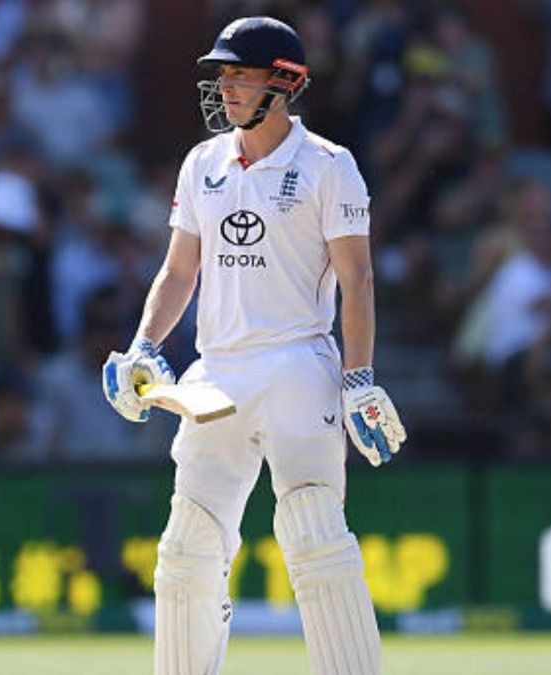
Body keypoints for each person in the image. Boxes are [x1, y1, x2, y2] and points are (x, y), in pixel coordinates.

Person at [100, 17, 405, 675]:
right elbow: (180, 271)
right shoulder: (202, 163)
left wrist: (360, 378)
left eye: (240, 74)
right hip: (218, 373)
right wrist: (145, 349)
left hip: (300, 361)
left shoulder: (329, 165)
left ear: (284, 81)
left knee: (314, 533)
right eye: (223, 75)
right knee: (187, 547)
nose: (226, 87)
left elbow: (357, 277)